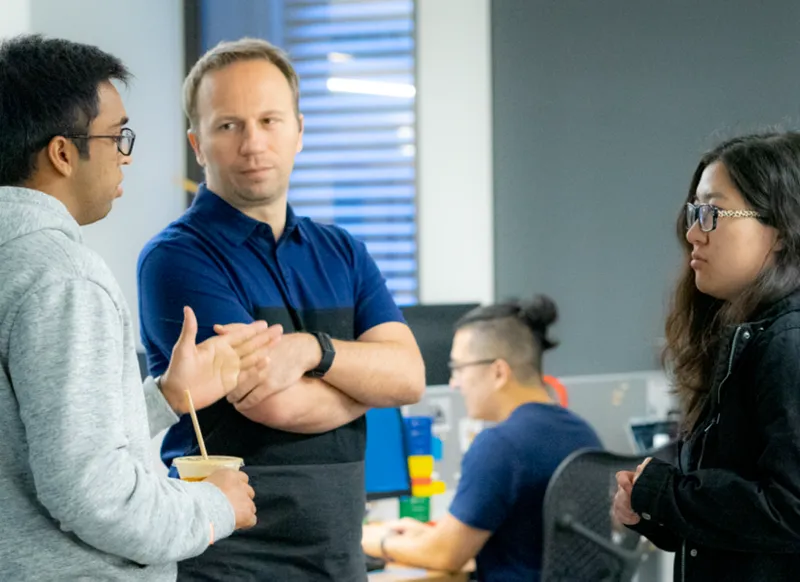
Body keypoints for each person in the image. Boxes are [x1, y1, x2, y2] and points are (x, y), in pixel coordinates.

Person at [137, 37, 425, 580]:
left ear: (299, 132)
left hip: (338, 559)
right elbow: (273, 402)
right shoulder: (177, 258)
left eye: (270, 121)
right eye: (229, 125)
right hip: (230, 563)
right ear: (198, 144)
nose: (252, 144)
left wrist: (311, 349)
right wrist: (369, 385)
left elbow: (410, 378)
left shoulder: (342, 252)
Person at [0, 35, 282, 581]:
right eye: (115, 136)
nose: (124, 155)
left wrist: (164, 399)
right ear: (62, 153)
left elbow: (28, 438)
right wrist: (214, 507)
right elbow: (92, 495)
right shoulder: (63, 274)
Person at [613, 132, 800, 582]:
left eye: (713, 213)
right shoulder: (751, 336)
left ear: (780, 230)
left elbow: (790, 513)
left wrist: (665, 492)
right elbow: (750, 533)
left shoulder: (788, 341)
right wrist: (656, 512)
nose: (693, 233)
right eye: (695, 212)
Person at [362, 296, 602, 582]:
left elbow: (447, 555)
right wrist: (427, 534)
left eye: (459, 368)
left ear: (498, 371)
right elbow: (523, 537)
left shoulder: (501, 445)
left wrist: (373, 541)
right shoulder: (583, 433)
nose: (454, 383)